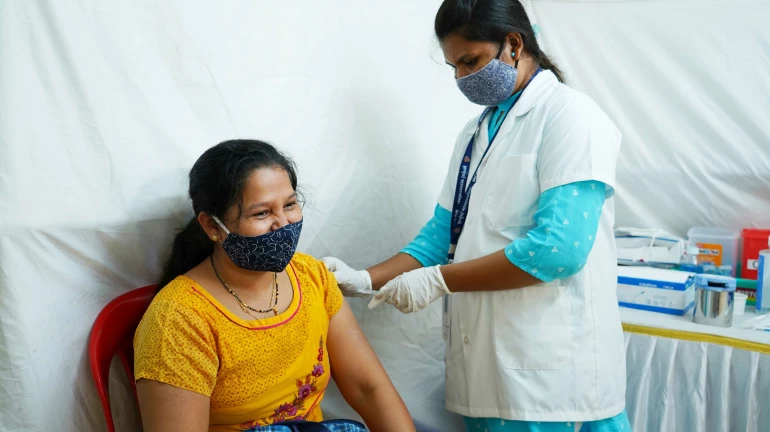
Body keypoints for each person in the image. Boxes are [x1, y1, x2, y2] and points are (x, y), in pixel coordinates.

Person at [322, 1, 631, 431]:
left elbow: (559, 251)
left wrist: (440, 280)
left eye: (471, 61)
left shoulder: (570, 116)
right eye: (454, 67)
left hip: (555, 381)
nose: (462, 79)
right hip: (489, 371)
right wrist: (363, 279)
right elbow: (440, 236)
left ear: (514, 43)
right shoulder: (475, 133)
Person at [133, 140, 415, 432]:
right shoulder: (178, 320)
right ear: (212, 226)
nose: (283, 223)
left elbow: (368, 388)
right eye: (262, 213)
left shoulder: (311, 277)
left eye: (290, 205)